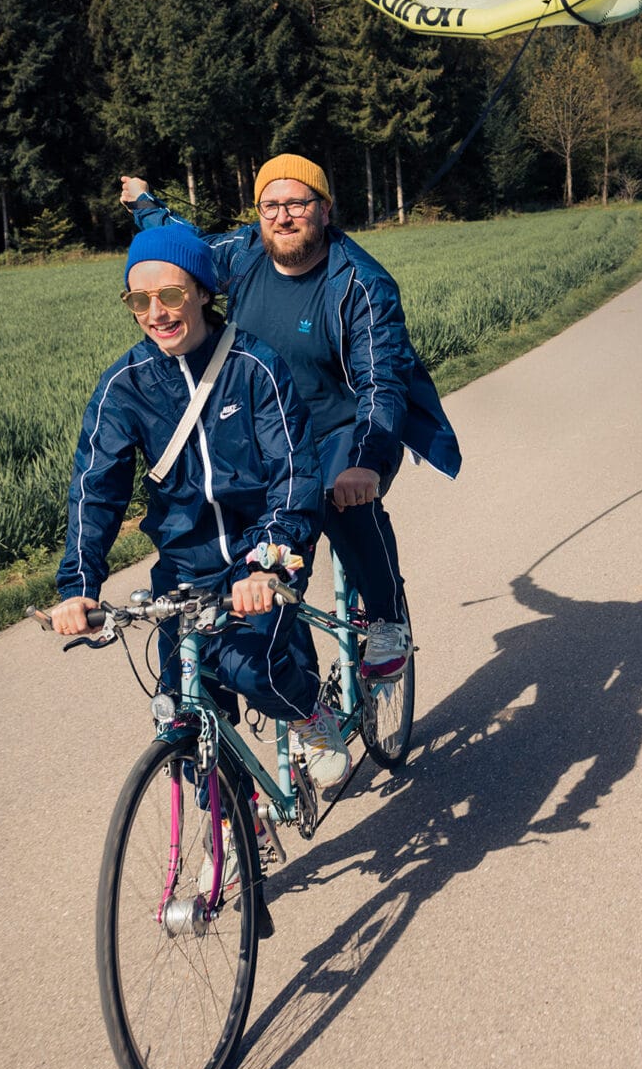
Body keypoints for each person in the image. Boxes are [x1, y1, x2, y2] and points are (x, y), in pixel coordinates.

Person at [120, 154, 462, 682]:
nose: (282, 217)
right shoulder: (244, 252)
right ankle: (283, 682)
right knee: (244, 540)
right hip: (263, 428)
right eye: (270, 205)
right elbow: (181, 248)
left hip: (344, 429)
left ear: (324, 209)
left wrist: (366, 464)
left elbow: (381, 383)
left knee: (342, 502)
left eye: (297, 203)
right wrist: (144, 203)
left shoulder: (360, 284)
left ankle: (388, 618)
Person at [53, 223, 350, 792]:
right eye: (139, 300)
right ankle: (236, 832)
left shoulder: (254, 365)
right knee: (183, 707)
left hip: (260, 549)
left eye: (170, 295)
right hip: (183, 569)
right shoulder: (124, 386)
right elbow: (96, 488)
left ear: (203, 291)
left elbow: (293, 471)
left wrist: (267, 562)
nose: (155, 312)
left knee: (248, 666)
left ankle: (312, 713)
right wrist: (80, 585)